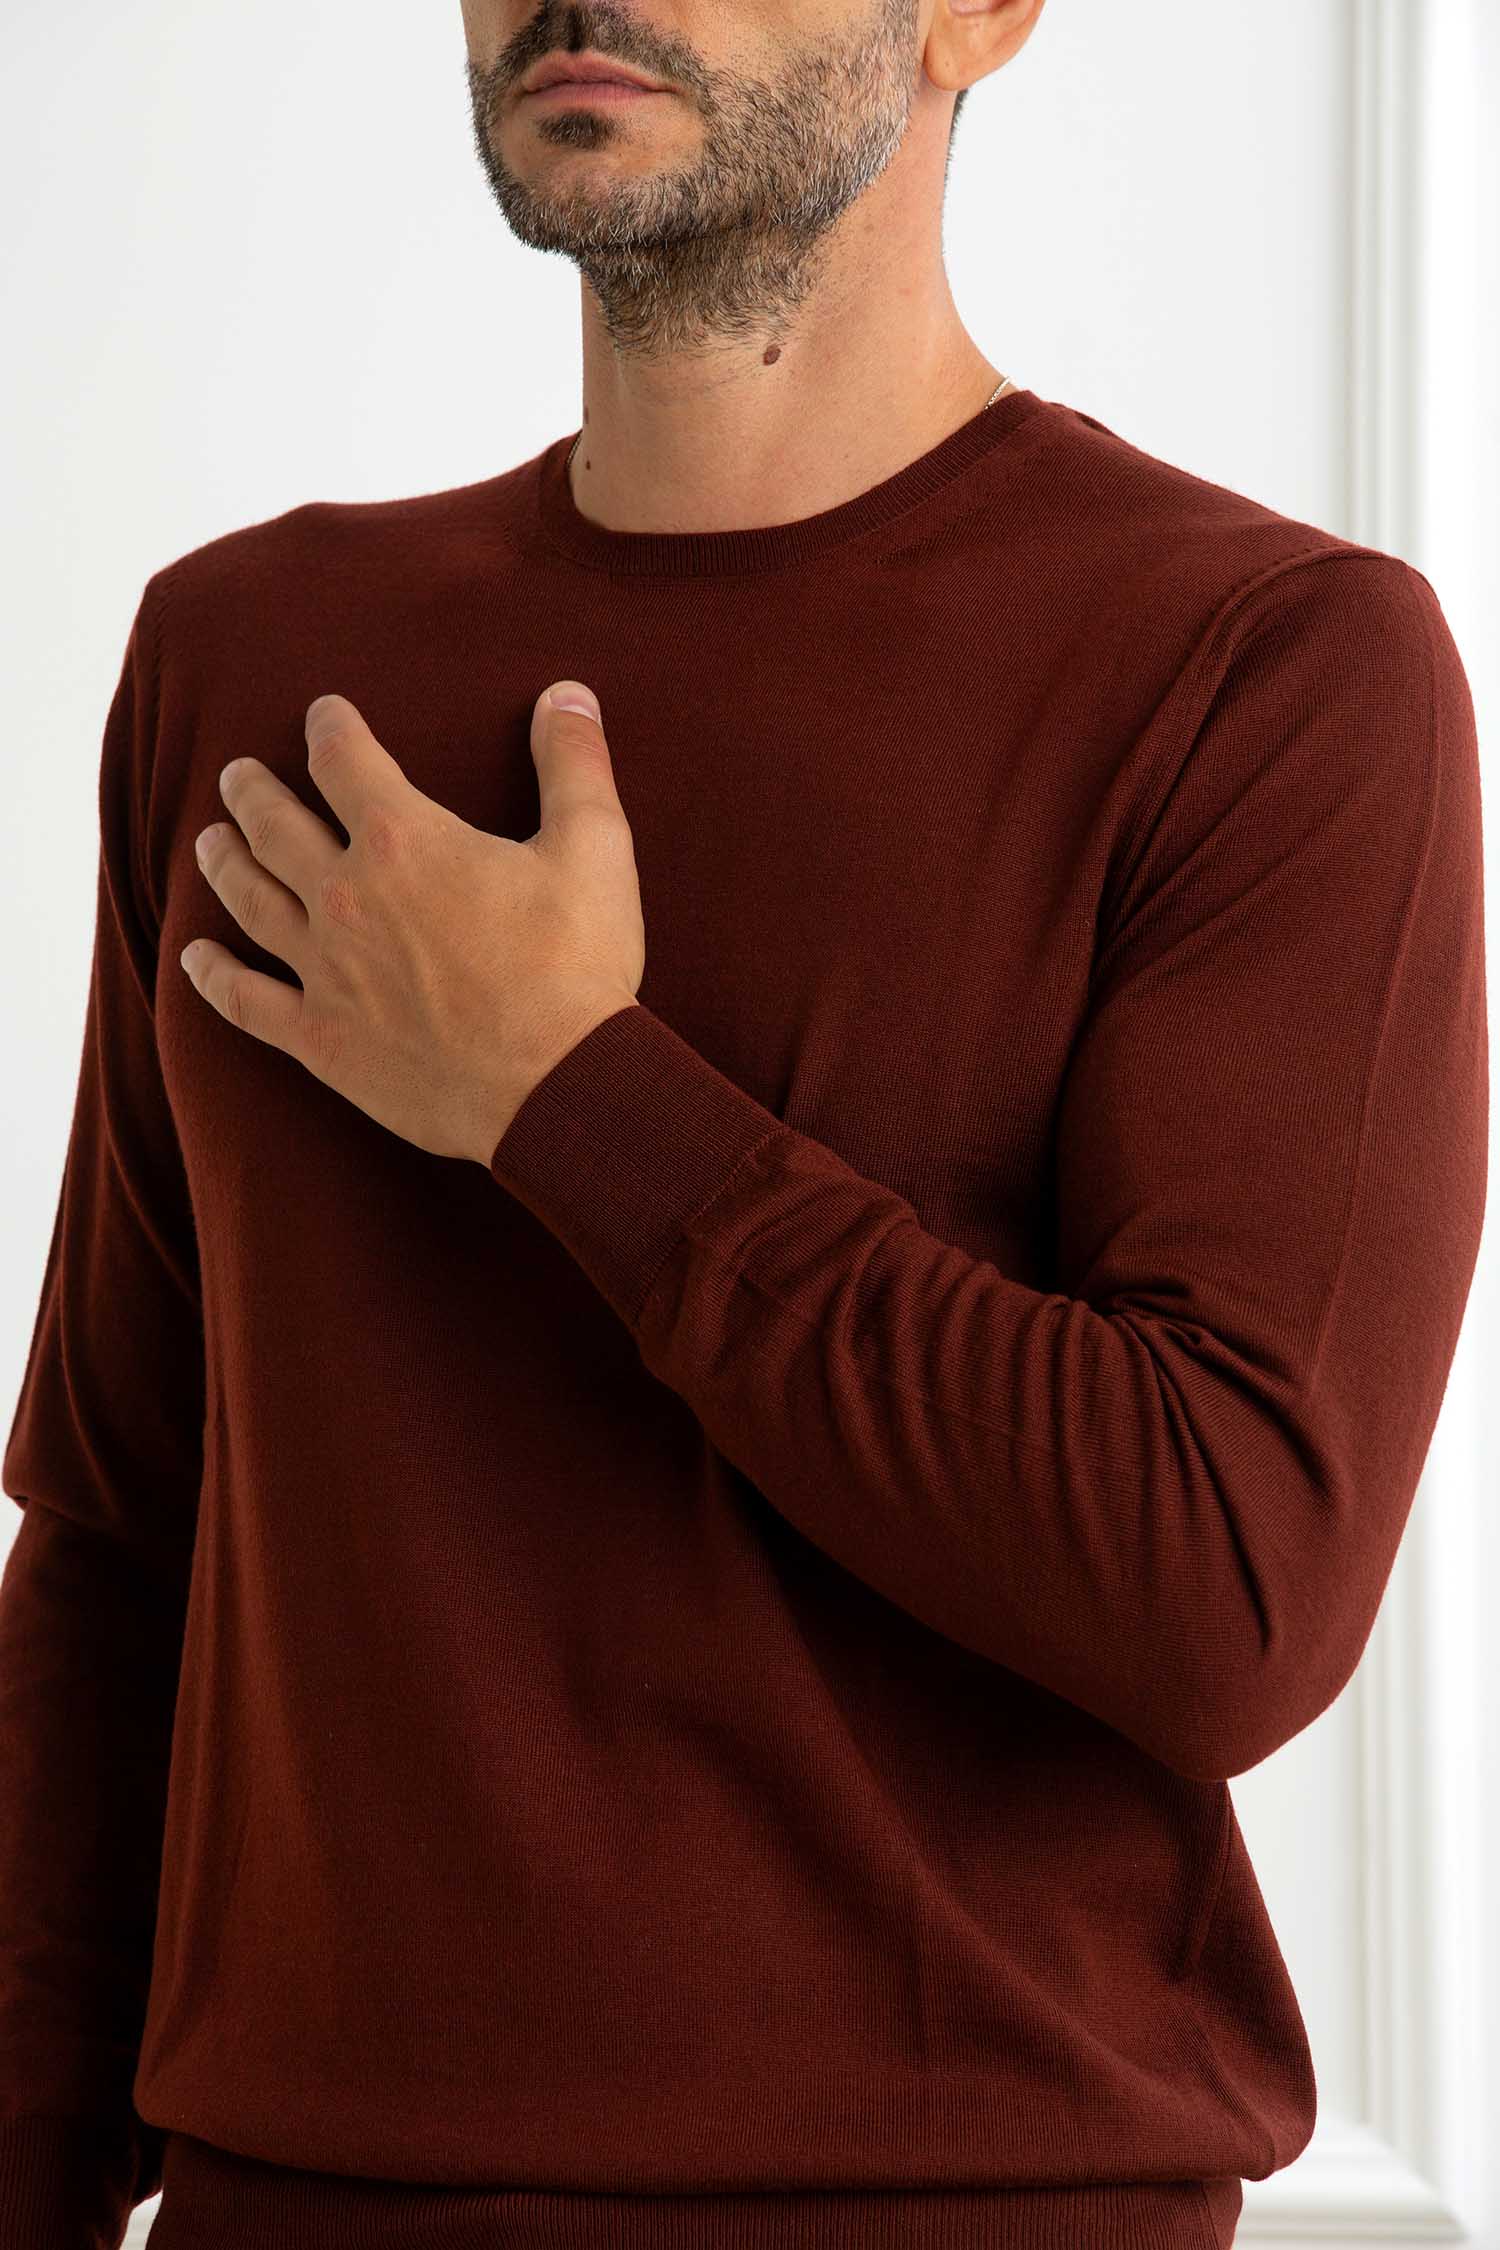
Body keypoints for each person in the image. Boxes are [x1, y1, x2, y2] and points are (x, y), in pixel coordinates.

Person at [0, 0, 1487, 2244]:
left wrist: (563, 1093)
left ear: (981, 11)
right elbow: (119, 1549)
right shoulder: (253, 657)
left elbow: (1230, 1585)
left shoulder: (1267, 670)